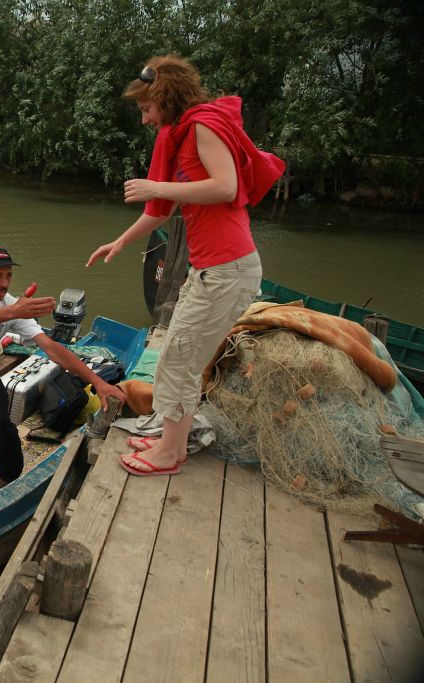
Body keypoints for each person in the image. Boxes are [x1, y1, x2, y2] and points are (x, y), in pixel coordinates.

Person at [86, 55, 285, 476]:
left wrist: (157, 185)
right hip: (210, 268)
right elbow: (161, 212)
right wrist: (120, 241)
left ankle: (169, 455)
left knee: (179, 358)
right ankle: (172, 440)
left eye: (146, 109)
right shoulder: (182, 135)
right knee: (177, 358)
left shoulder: (201, 127)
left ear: (165, 98)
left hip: (228, 269)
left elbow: (226, 185)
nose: (144, 120)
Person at [0, 246, 128, 494]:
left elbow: (52, 348)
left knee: (1, 424)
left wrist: (99, 382)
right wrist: (15, 310)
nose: (4, 283)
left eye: (8, 276)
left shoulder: (12, 307)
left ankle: (9, 477)